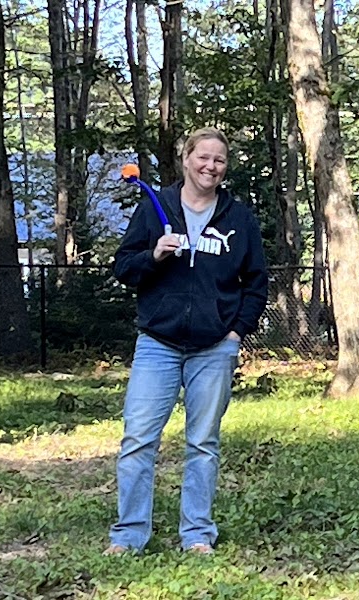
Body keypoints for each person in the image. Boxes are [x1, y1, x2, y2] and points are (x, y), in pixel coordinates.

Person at [105, 127, 268, 555]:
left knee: (203, 443)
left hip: (214, 348)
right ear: (186, 159)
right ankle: (129, 536)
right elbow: (123, 268)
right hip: (157, 343)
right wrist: (154, 256)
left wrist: (235, 334)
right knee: (138, 439)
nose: (211, 166)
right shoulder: (154, 207)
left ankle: (196, 535)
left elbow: (256, 284)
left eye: (219, 160)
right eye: (203, 158)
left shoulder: (239, 219)